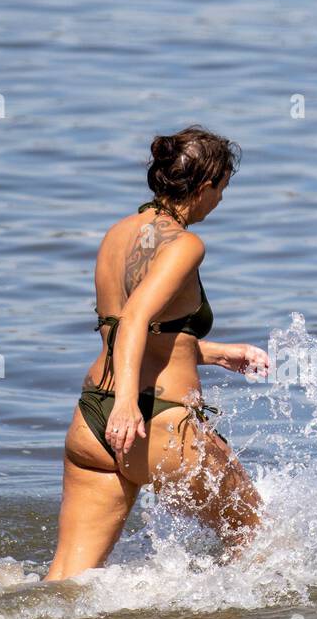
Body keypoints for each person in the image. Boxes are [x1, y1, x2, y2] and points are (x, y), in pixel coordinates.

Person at [46, 126, 270, 581]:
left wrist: (211, 353)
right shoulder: (185, 244)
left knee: (65, 583)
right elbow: (134, 319)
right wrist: (129, 405)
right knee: (258, 541)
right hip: (156, 424)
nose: (221, 201)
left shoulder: (117, 233)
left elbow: (129, 330)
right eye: (223, 189)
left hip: (91, 421)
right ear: (205, 187)